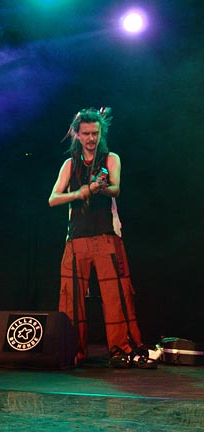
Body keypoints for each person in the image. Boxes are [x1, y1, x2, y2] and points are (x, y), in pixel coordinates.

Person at [48, 107, 156, 369]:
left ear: (101, 133)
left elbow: (116, 189)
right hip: (77, 238)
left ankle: (122, 349)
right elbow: (53, 198)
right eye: (86, 133)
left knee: (116, 295)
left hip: (107, 236)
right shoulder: (70, 164)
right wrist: (81, 192)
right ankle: (73, 350)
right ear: (77, 134)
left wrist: (101, 188)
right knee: (71, 298)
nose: (91, 138)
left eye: (95, 133)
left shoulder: (111, 159)